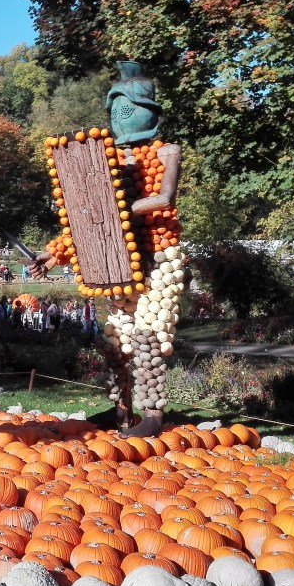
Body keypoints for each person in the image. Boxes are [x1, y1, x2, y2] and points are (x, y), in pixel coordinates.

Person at [30, 61, 184, 438]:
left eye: (127, 109)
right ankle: (119, 409)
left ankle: (153, 414)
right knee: (114, 340)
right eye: (115, 109)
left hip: (157, 257)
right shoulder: (105, 161)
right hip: (117, 263)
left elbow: (163, 197)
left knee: (149, 336)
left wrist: (117, 210)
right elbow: (86, 221)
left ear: (148, 112)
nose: (121, 116)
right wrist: (53, 256)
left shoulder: (166, 153)